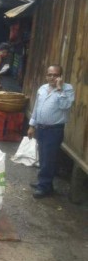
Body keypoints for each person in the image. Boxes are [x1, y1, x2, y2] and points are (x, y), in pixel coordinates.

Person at [27, 65, 75, 199]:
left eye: (55, 75)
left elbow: (65, 106)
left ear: (61, 76)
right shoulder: (42, 88)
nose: (52, 77)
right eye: (50, 74)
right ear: (46, 75)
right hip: (41, 128)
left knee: (49, 159)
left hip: (54, 130)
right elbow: (36, 108)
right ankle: (45, 183)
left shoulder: (67, 89)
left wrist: (59, 89)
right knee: (42, 157)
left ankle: (44, 187)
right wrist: (32, 125)